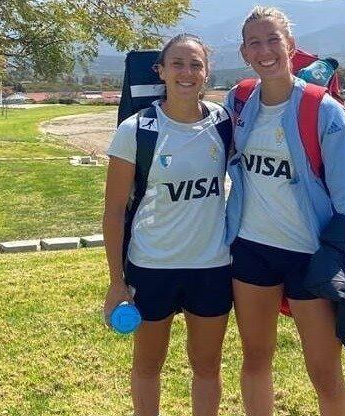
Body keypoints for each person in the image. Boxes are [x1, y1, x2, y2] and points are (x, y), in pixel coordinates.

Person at [224, 7, 345, 416]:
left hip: (312, 254)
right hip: (251, 247)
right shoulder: (239, 100)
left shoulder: (323, 110)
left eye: (273, 40)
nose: (265, 50)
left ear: (290, 46)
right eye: (255, 42)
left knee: (324, 371)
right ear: (244, 51)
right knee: (255, 360)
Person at [102, 34, 233, 416]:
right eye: (177, 63)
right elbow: (113, 211)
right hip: (152, 265)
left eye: (196, 64)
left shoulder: (223, 123)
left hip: (211, 266)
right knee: (148, 364)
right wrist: (115, 281)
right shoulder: (136, 130)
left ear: (206, 73)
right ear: (160, 70)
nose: (187, 72)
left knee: (207, 367)